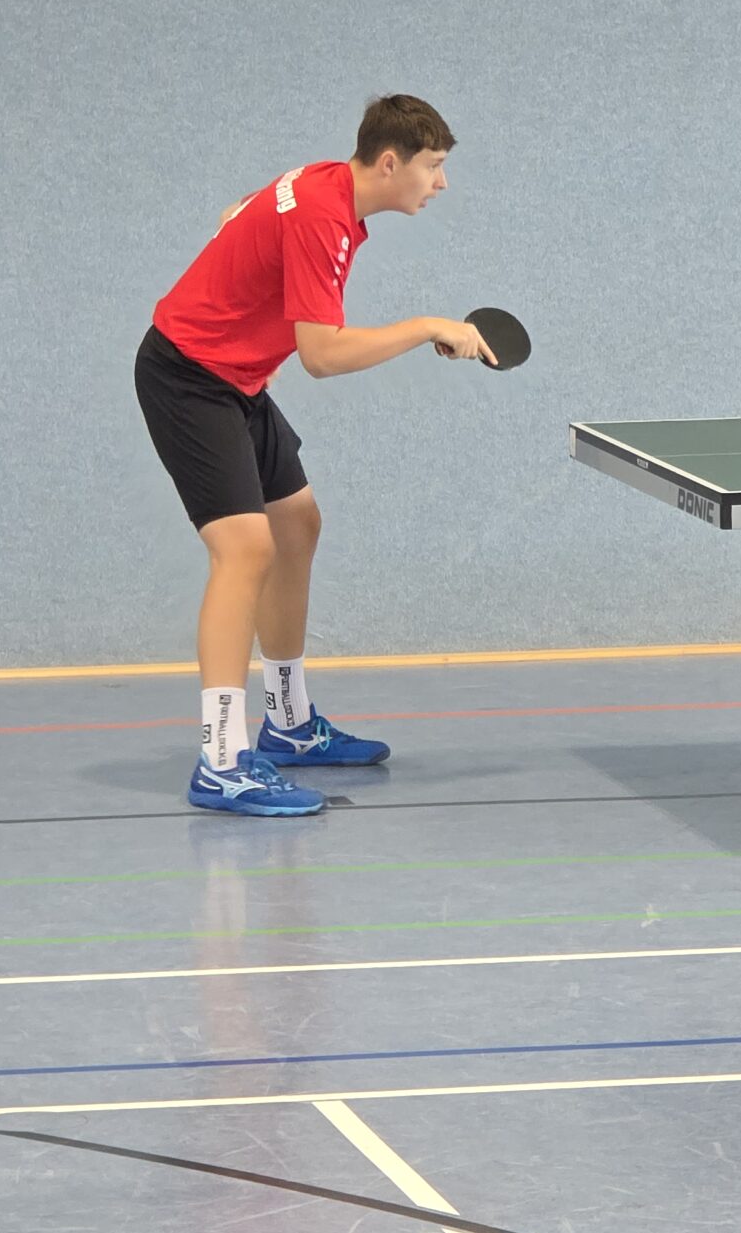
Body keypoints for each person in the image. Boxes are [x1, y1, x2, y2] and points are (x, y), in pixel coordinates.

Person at [134, 93, 494, 816]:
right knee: (245, 550)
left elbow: (239, 212)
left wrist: (244, 293)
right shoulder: (324, 215)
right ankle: (221, 759)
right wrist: (427, 326)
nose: (441, 182)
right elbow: (322, 356)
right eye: (432, 166)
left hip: (235, 379)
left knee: (296, 525)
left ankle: (289, 724)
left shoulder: (324, 181)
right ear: (389, 162)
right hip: (187, 379)